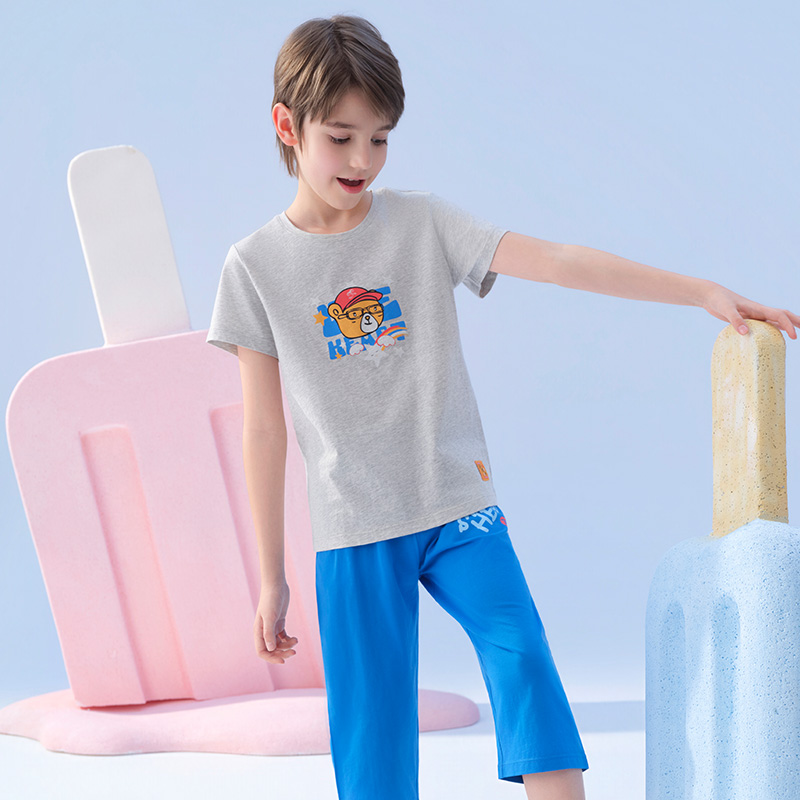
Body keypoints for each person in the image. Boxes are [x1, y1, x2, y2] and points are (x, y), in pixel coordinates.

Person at [205, 15, 799, 800]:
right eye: (341, 138)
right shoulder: (254, 266)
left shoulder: (422, 221)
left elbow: (556, 261)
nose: (362, 160)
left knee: (524, 662)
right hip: (353, 528)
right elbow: (263, 429)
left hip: (458, 506)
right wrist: (271, 577)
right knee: (371, 739)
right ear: (288, 126)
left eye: (380, 139)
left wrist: (699, 291)